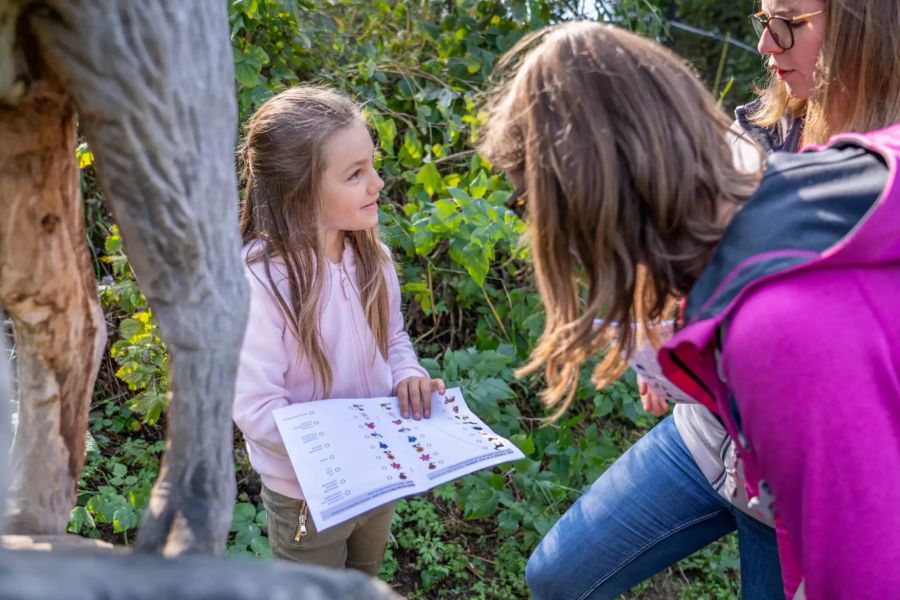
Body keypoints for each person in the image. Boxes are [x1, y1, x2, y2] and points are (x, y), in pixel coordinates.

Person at [479, 11, 900, 600]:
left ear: (587, 204)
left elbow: (863, 573)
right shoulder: (818, 185)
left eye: (532, 207)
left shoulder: (772, 329)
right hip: (725, 442)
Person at [232, 85, 444, 574]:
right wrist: (346, 447)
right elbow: (257, 408)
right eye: (355, 174)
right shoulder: (260, 282)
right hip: (309, 495)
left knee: (362, 578)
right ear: (301, 189)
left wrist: (407, 376)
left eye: (372, 164)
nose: (378, 184)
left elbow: (392, 341)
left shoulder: (374, 256)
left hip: (381, 476)